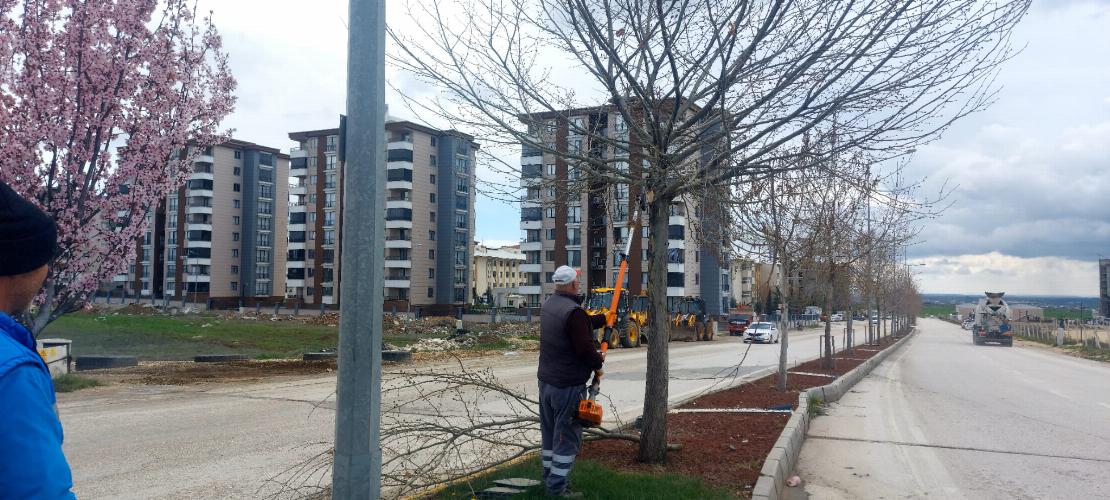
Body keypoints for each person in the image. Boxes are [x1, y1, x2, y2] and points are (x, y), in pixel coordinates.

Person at [0, 181, 76, 498]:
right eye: (44, 260)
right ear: (17, 267)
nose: (47, 270)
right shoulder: (12, 371)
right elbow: (39, 492)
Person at [537, 265, 605, 498]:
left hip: (546, 383)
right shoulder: (574, 312)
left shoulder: (549, 306)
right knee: (567, 438)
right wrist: (598, 363)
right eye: (578, 280)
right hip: (567, 386)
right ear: (573, 284)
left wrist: (602, 319)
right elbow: (584, 345)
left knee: (550, 436)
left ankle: (548, 480)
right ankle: (557, 490)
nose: (579, 284)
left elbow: (576, 327)